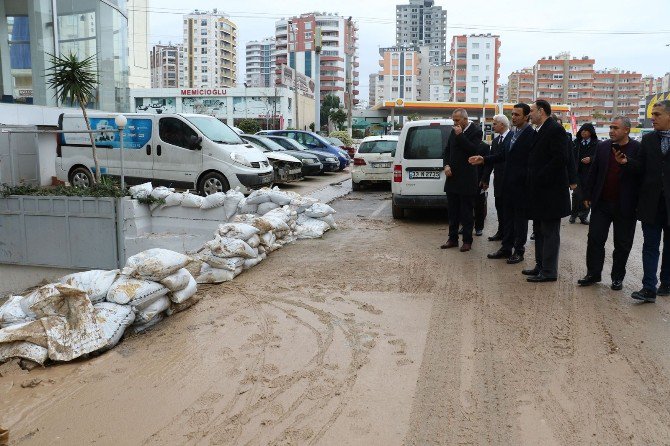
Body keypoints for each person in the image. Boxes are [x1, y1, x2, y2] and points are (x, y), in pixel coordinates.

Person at [577, 117, 641, 290]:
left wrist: (627, 162)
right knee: (595, 240)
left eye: (616, 128)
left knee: (622, 244)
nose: (612, 131)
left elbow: (642, 171)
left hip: (625, 205)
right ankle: (593, 274)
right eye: (611, 127)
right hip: (602, 203)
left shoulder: (637, 148)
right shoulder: (603, 146)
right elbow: (594, 171)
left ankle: (617, 277)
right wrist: (587, 194)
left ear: (627, 130)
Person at [469, 104, 534, 264]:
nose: (514, 117)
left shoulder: (530, 134)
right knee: (508, 218)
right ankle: (506, 248)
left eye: (517, 114)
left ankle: (519, 251)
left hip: (521, 186)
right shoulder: (514, 134)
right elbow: (503, 155)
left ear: (526, 117)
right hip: (508, 184)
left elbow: (531, 161)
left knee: (520, 221)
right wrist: (484, 159)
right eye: (512, 114)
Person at [524, 99, 570, 282]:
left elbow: (560, 159)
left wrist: (539, 176)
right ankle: (540, 265)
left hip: (550, 193)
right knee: (540, 230)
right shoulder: (540, 130)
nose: (530, 114)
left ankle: (549, 271)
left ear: (541, 111)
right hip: (539, 193)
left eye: (532, 111)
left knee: (550, 233)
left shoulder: (555, 130)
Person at [629, 100, 670, 303]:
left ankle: (667, 282)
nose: (652, 118)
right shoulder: (648, 140)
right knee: (650, 246)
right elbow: (641, 169)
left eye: (657, 114)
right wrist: (627, 163)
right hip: (651, 204)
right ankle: (648, 288)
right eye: (652, 114)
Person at [441, 109, 483, 252]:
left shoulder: (476, 132)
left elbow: (473, 150)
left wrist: (460, 136)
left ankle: (467, 241)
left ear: (465, 119)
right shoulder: (454, 131)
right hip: (452, 178)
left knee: (466, 213)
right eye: (453, 120)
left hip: (467, 179)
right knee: (452, 212)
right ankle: (452, 239)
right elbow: (447, 150)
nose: (455, 123)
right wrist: (446, 165)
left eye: (457, 120)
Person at [482, 114, 511, 241]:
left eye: (494, 124)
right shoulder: (494, 141)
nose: (492, 126)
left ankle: (510, 234)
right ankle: (501, 231)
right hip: (498, 180)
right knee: (499, 206)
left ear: (502, 124)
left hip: (511, 180)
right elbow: (491, 162)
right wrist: (485, 179)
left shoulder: (513, 138)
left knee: (509, 209)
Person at [570, 123, 598, 224]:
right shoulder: (576, 143)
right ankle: (573, 214)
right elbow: (571, 157)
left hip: (590, 173)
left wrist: (591, 159)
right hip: (577, 173)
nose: (583, 132)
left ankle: (584, 215)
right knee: (576, 194)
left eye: (586, 130)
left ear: (591, 132)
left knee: (587, 195)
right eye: (582, 130)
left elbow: (600, 157)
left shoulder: (596, 143)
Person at [474, 141, 491, 236]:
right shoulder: (466, 144)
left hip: (479, 180)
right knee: (466, 205)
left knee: (479, 205)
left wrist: (485, 179)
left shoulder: (485, 147)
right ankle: (466, 225)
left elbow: (488, 165)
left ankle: (479, 227)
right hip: (467, 180)